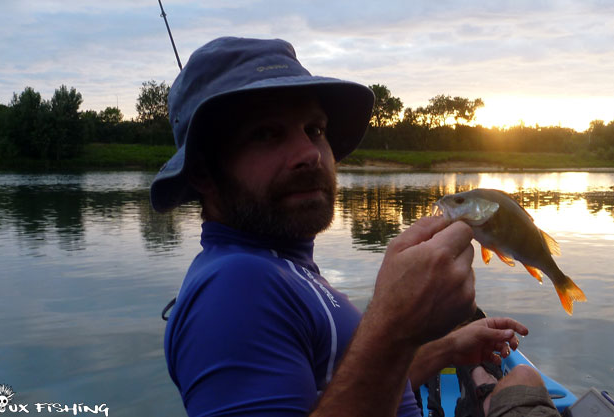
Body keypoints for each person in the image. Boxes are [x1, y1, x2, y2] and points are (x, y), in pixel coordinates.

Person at [151, 36, 560, 417]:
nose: (310, 153)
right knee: (523, 381)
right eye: (266, 134)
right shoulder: (234, 289)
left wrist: (446, 348)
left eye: (315, 130)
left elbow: (341, 388)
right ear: (204, 172)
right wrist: (394, 326)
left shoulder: (280, 268)